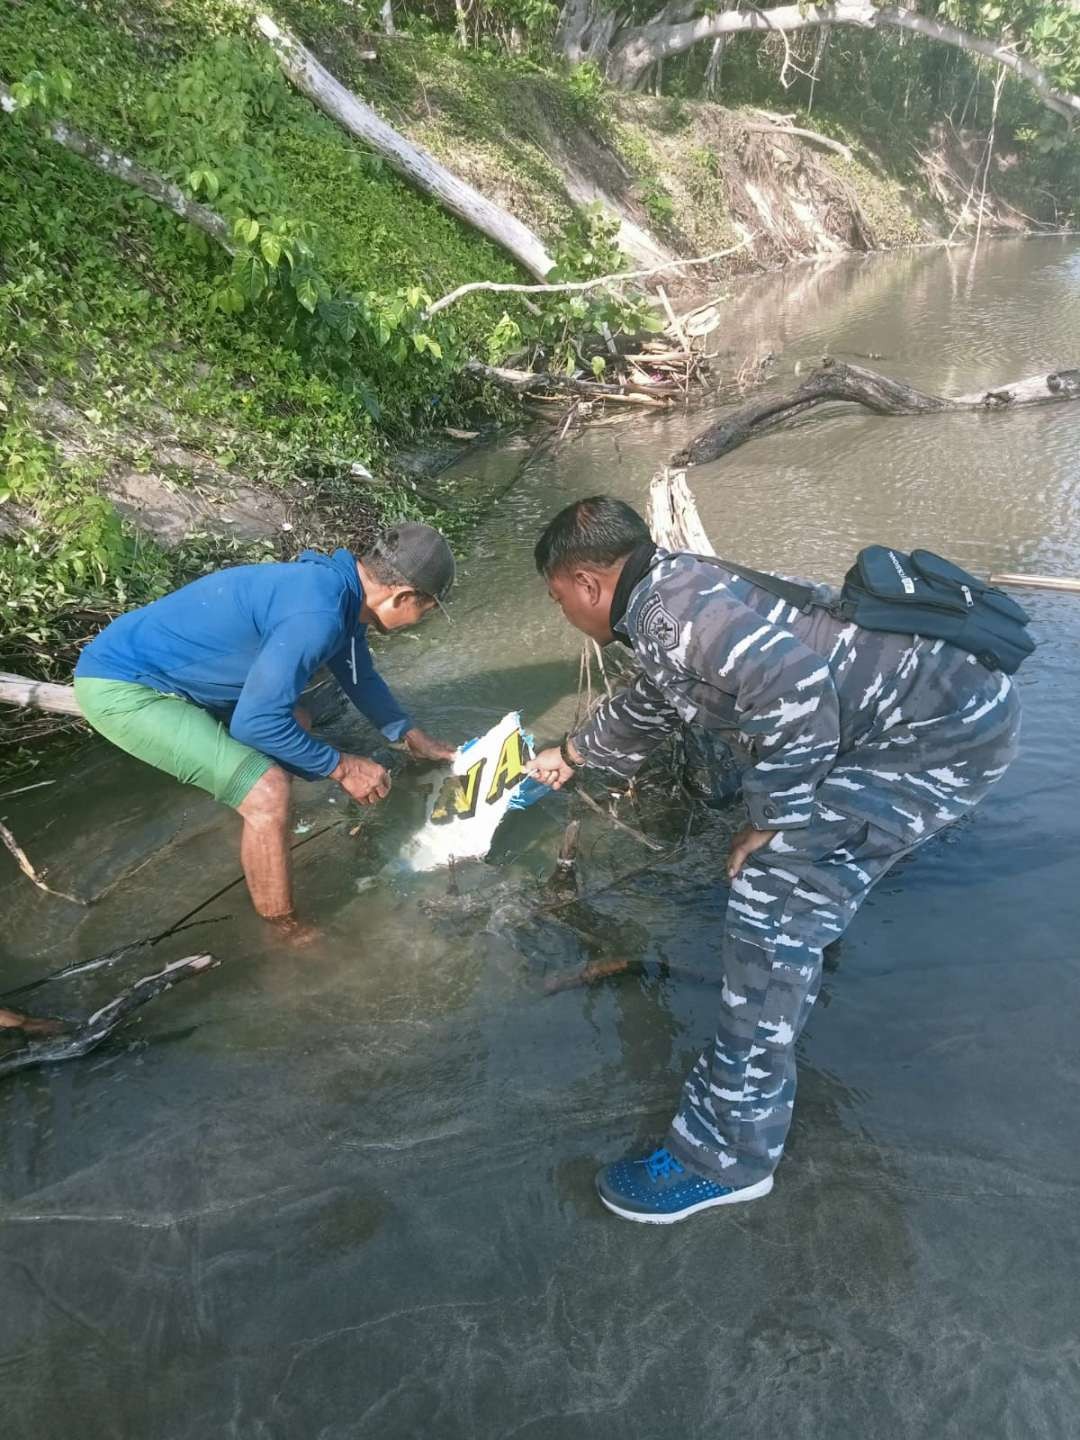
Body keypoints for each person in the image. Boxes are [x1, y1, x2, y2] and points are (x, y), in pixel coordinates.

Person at [526, 496, 1020, 1225]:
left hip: (936, 735)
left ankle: (725, 1158)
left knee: (771, 897)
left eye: (558, 596)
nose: (563, 611)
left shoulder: (673, 614)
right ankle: (804, 952)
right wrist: (571, 754)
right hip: (935, 709)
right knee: (795, 876)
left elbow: (796, 688)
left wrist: (773, 817)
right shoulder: (672, 587)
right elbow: (659, 698)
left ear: (588, 582)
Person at [74, 523, 457, 934]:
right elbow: (255, 722)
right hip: (124, 686)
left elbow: (358, 674)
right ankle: (285, 931)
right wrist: (345, 768)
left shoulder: (338, 591)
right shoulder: (319, 615)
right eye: (426, 610)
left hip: (171, 670)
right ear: (402, 597)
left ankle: (253, 824)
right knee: (267, 790)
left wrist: (410, 736)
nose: (420, 620)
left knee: (298, 722)